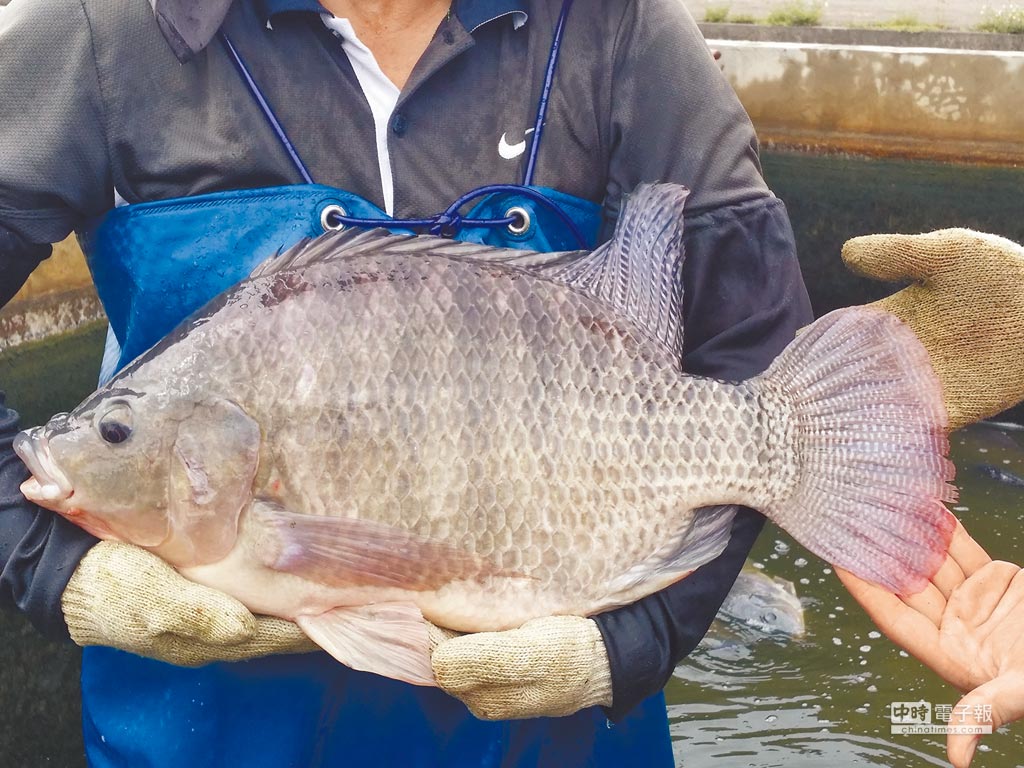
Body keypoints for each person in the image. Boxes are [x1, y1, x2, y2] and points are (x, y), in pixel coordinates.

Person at [0, 0, 813, 765]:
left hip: (561, 744)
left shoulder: (623, 29)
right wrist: (47, 556)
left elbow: (759, 353)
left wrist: (633, 640)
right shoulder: (102, 32)